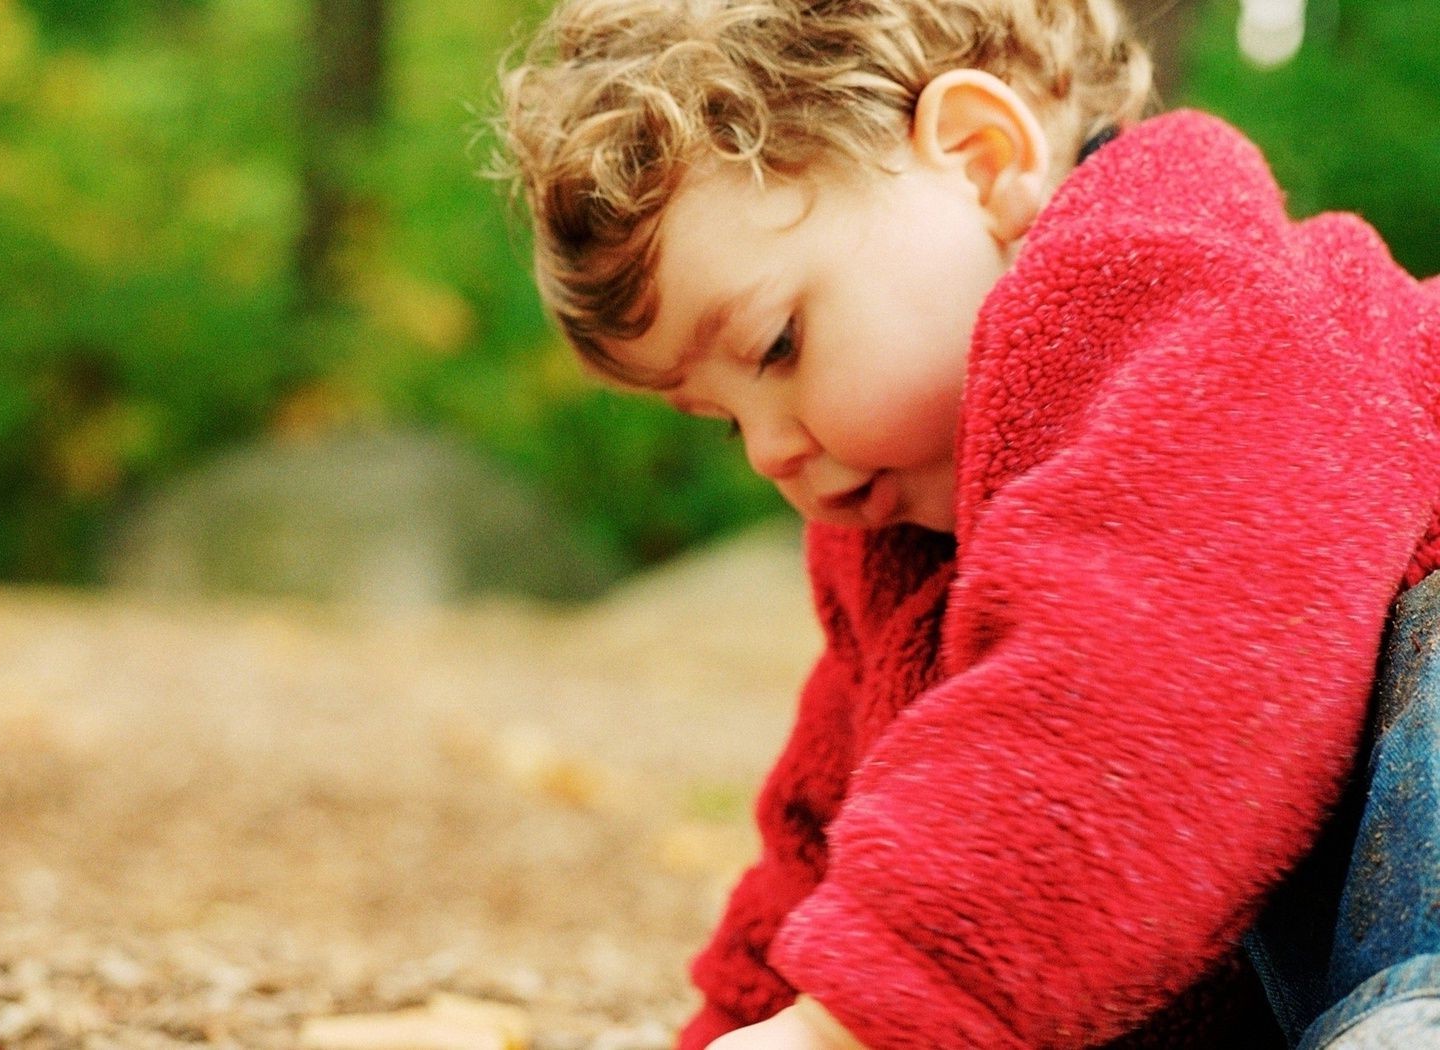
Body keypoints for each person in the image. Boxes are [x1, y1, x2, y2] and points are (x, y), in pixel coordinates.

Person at [490, 0, 1440, 1046]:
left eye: (776, 347)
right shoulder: (899, 540)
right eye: (721, 422)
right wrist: (743, 1026)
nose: (768, 451)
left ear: (984, 162)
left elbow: (1128, 688)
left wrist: (845, 1029)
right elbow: (838, 833)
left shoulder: (1191, 302)